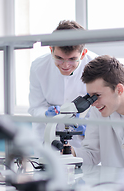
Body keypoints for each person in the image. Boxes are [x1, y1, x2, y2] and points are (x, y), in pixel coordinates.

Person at [28, 20, 97, 153]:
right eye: (59, 58)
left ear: (83, 54)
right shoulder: (38, 67)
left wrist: (88, 123)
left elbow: (104, 106)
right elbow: (35, 107)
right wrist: (46, 114)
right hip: (46, 140)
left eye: (72, 59)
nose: (65, 65)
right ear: (51, 50)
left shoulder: (96, 65)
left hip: (83, 142)